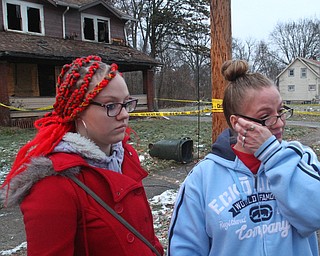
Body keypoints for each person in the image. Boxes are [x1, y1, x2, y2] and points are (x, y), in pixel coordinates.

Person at [0, 55, 163, 256]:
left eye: (126, 103)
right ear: (78, 111)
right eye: (111, 106)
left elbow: (143, 232)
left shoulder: (124, 156)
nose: (124, 114)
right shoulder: (54, 185)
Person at [167, 59, 320, 256]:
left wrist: (273, 155)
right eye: (266, 117)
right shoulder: (203, 178)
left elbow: (315, 215)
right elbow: (185, 248)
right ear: (237, 122)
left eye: (280, 111)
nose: (280, 123)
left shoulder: (300, 158)